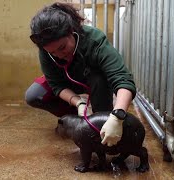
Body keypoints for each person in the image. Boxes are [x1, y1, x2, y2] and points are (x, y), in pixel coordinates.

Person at [26, 2, 136, 147]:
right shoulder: (45, 51)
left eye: (62, 47)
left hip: (94, 82)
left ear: (72, 31)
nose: (59, 55)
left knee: (99, 80)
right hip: (69, 84)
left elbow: (123, 79)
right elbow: (56, 85)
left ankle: (100, 117)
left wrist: (118, 116)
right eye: (52, 52)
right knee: (34, 95)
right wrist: (78, 102)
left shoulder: (95, 40)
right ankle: (74, 118)